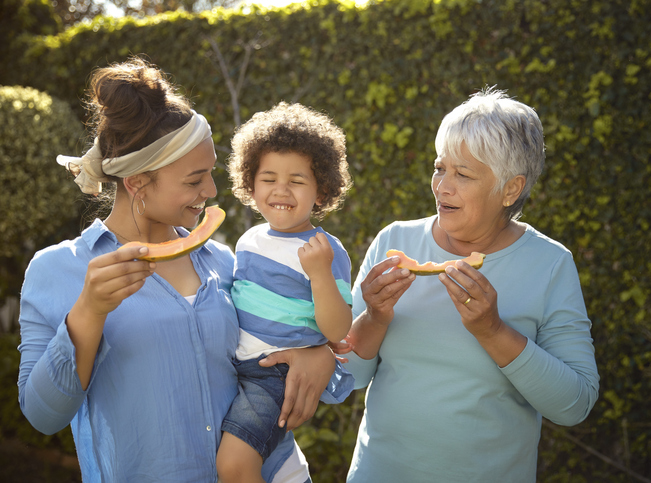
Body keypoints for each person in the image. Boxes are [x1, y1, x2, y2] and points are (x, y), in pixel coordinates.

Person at [17, 58, 340, 483]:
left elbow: (287, 336)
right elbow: (42, 416)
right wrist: (89, 312)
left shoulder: (226, 262)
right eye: (194, 180)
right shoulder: (58, 270)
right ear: (137, 184)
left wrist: (318, 356)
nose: (210, 191)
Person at [339, 88, 600, 482]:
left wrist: (492, 331)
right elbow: (346, 379)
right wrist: (374, 318)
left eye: (463, 174)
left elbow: (573, 404)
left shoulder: (550, 264)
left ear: (510, 189)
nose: (442, 187)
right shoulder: (394, 242)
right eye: (439, 167)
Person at [216, 102, 355, 483]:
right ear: (250, 182)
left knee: (233, 464)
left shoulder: (325, 250)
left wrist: (320, 275)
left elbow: (338, 330)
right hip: (233, 371)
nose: (281, 190)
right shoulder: (248, 241)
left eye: (297, 180)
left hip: (275, 376)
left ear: (321, 190)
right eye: (268, 178)